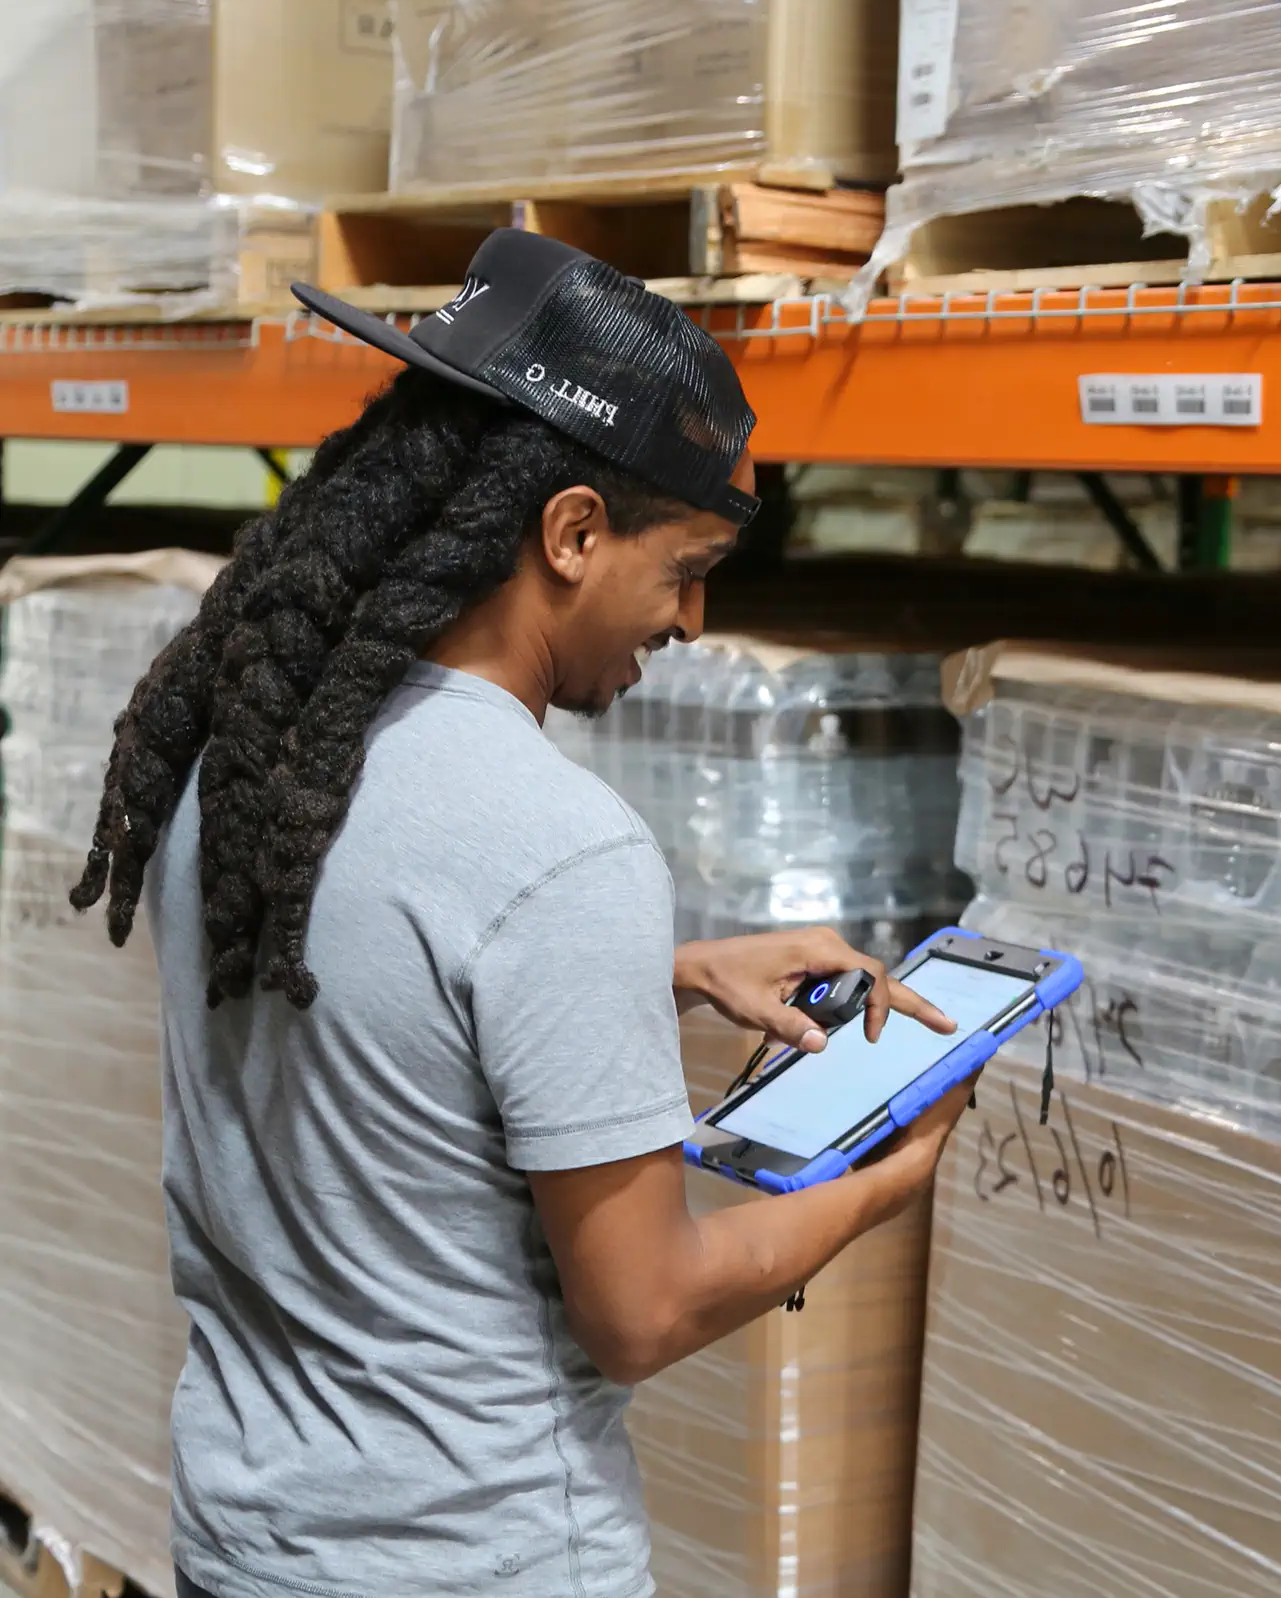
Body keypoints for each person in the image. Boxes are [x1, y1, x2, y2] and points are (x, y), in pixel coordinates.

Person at [74, 230, 973, 1598]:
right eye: (684, 567)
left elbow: (383, 1006)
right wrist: (877, 1186)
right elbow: (643, 1306)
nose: (689, 619)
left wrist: (646, 975)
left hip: (246, 1544)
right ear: (572, 531)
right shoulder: (559, 848)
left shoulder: (246, 763)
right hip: (473, 1559)